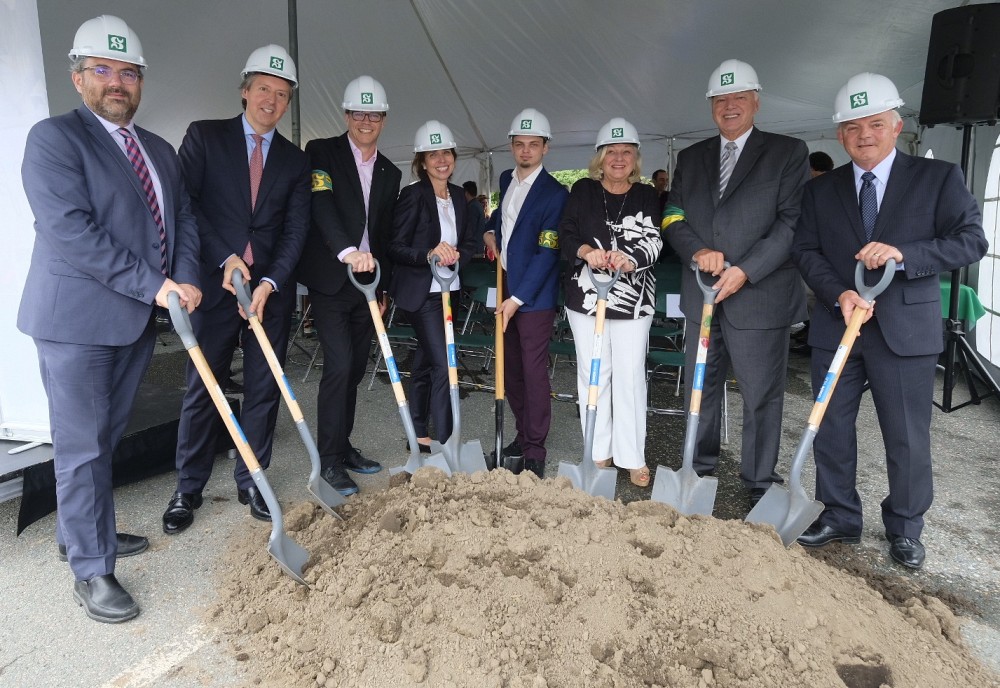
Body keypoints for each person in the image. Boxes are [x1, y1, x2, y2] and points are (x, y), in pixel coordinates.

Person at [18, 15, 201, 622]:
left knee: (102, 440)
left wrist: (190, 277)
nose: (116, 82)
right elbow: (73, 233)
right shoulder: (54, 140)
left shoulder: (159, 150)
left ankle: (82, 534)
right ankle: (92, 571)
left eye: (127, 72)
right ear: (78, 78)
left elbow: (183, 222)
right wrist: (156, 286)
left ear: (140, 81)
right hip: (75, 323)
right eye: (102, 69)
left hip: (134, 322)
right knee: (81, 449)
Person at [792, 73, 987, 569]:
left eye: (875, 124)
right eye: (853, 127)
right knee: (831, 428)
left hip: (905, 331)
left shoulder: (937, 178)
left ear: (897, 126)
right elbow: (807, 251)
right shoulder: (820, 191)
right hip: (839, 325)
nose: (865, 135)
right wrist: (839, 293)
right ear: (839, 135)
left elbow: (970, 241)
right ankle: (838, 514)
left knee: (905, 435)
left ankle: (905, 526)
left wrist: (905, 254)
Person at [163, 45, 310, 533]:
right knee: (204, 385)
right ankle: (188, 487)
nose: (272, 99)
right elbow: (187, 208)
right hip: (214, 285)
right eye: (264, 88)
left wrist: (269, 282)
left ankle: (253, 479)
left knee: (264, 388)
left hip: (268, 295)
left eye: (282, 94)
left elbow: (295, 230)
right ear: (245, 90)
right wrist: (225, 258)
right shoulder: (205, 138)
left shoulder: (293, 160)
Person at [663, 59, 809, 508]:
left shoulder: (787, 153)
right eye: (721, 100)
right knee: (700, 387)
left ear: (756, 102)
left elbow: (792, 222)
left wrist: (744, 269)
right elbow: (673, 216)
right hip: (702, 295)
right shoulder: (690, 158)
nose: (729, 107)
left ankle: (758, 481)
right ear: (711, 105)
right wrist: (695, 251)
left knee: (760, 394)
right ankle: (699, 467)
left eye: (738, 98)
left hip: (758, 295)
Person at [295, 76, 402, 496]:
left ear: (383, 119)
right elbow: (321, 206)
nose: (365, 121)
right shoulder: (321, 152)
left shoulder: (391, 173)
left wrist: (384, 286)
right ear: (346, 115)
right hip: (332, 279)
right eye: (358, 113)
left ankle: (343, 445)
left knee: (356, 367)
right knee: (338, 366)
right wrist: (346, 251)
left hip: (369, 287)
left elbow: (386, 234)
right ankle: (329, 461)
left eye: (373, 114)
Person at [559, 118, 662, 487]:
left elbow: (654, 238)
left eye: (626, 152)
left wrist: (629, 258)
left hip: (634, 300)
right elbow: (566, 232)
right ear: (600, 158)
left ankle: (633, 456)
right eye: (611, 152)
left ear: (635, 159)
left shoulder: (647, 194)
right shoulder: (583, 190)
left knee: (631, 374)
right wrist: (587, 251)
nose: (618, 159)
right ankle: (597, 451)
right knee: (593, 373)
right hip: (586, 297)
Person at [483, 108, 569, 477]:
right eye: (520, 144)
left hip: (532, 299)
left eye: (534, 145)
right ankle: (520, 435)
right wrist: (489, 233)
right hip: (506, 288)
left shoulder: (555, 194)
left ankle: (535, 449)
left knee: (533, 374)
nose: (526, 151)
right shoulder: (506, 179)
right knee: (511, 370)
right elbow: (502, 218)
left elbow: (547, 252)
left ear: (546, 148)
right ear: (512, 146)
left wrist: (518, 301)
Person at [388, 122, 478, 451]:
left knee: (427, 361)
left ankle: (418, 433)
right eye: (433, 154)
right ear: (422, 161)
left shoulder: (457, 196)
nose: (441, 159)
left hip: (449, 289)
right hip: (422, 293)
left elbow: (468, 241)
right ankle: (445, 440)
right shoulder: (412, 195)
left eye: (446, 153)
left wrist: (457, 257)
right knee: (444, 362)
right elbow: (395, 246)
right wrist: (429, 254)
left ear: (453, 157)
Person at [463, 180, 487, 255]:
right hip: (477, 246)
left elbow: (471, 229)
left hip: (473, 248)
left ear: (466, 193)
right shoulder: (477, 205)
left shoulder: (472, 207)